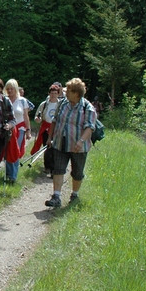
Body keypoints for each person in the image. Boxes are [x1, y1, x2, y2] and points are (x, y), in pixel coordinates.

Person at [44, 78, 97, 208]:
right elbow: (55, 121)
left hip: (78, 147)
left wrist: (81, 141)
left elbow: (90, 127)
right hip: (60, 143)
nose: (65, 92)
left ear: (76, 93)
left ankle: (74, 195)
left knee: (77, 173)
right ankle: (56, 197)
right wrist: (50, 137)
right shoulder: (62, 104)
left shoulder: (87, 107)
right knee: (58, 169)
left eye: (68, 90)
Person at [3, 79, 32, 183]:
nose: (10, 91)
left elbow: (26, 116)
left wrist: (28, 130)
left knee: (15, 151)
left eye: (12, 89)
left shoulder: (22, 101)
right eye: (8, 89)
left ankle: (13, 176)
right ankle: (8, 173)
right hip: (7, 129)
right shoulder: (4, 100)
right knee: (6, 151)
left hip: (19, 129)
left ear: (16, 89)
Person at [31, 83, 62, 175]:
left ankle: (53, 168)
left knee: (55, 149)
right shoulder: (44, 104)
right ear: (49, 93)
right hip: (45, 128)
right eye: (52, 93)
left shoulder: (61, 104)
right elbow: (37, 115)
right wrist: (37, 119)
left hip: (56, 129)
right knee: (47, 148)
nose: (53, 95)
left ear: (58, 94)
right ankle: (47, 167)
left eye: (55, 93)